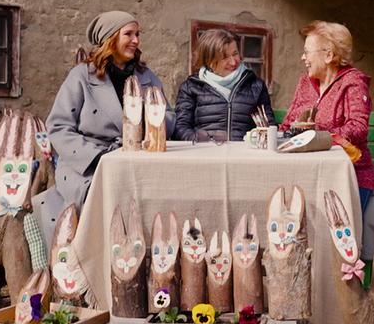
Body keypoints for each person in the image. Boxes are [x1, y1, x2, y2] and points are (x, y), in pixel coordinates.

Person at [40, 12, 171, 218]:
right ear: (110, 39)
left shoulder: (146, 76)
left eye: (137, 34)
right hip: (89, 165)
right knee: (105, 202)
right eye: (128, 34)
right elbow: (59, 127)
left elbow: (169, 117)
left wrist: (148, 123)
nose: (135, 40)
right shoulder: (82, 76)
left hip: (138, 160)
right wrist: (98, 159)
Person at [279, 21, 374, 210]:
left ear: (329, 55)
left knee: (342, 236)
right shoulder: (305, 83)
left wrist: (316, 136)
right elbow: (287, 125)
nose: (302, 57)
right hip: (308, 174)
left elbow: (358, 128)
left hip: (349, 176)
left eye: (307, 52)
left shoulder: (353, 82)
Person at [173, 29, 275, 142]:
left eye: (235, 54)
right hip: (205, 154)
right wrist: (204, 141)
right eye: (225, 57)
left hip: (244, 155)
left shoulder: (256, 86)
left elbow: (269, 127)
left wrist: (256, 139)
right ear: (209, 60)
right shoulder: (191, 87)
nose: (233, 62)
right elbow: (180, 129)